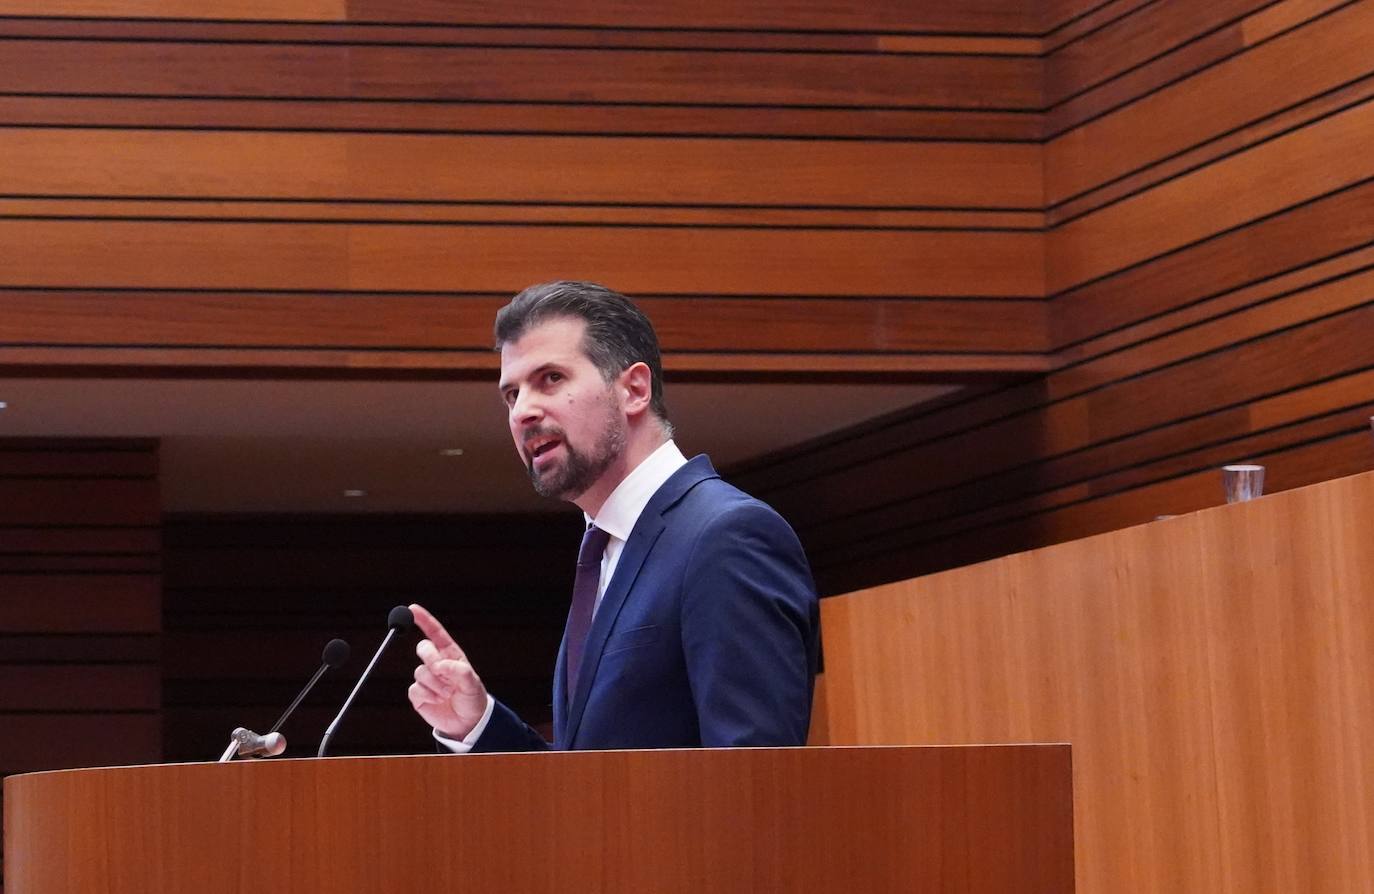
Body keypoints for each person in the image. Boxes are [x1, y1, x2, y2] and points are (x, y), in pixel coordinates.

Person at [407, 281, 819, 751]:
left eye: (551, 379)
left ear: (634, 389)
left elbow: (754, 778)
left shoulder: (726, 536)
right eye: (511, 395)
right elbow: (588, 789)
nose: (522, 411)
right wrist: (478, 726)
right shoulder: (605, 549)